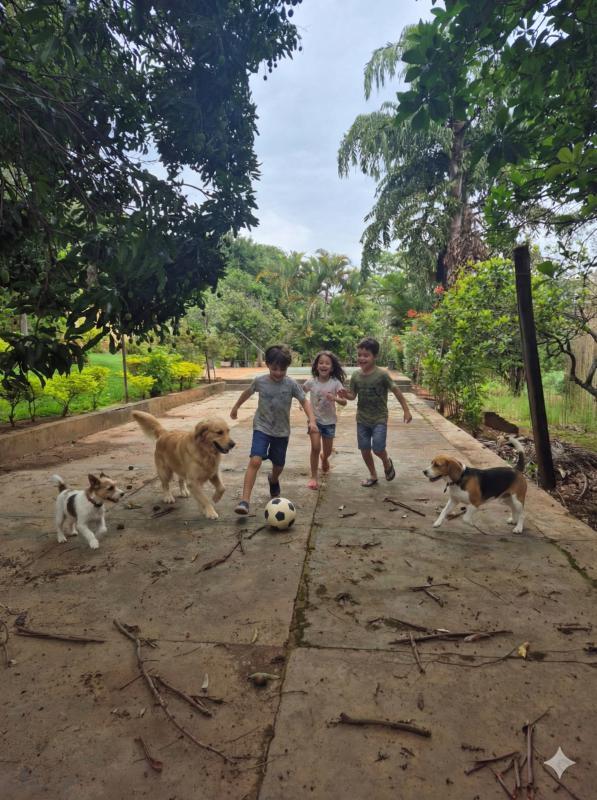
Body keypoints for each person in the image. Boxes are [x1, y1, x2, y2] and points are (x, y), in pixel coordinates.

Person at [230, 344, 317, 515]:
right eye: (274, 368)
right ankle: (245, 501)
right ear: (268, 365)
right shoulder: (260, 381)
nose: (278, 373)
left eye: (282, 369)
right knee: (255, 460)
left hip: (281, 431)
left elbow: (304, 401)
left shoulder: (291, 384)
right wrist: (235, 407)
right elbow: (247, 393)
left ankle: (273, 479)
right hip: (261, 427)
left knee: (278, 465)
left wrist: (311, 420)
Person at [338, 337, 412, 487]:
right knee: (364, 449)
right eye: (359, 355)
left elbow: (396, 390)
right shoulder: (356, 376)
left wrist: (406, 410)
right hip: (362, 419)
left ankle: (386, 462)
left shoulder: (382, 375)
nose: (361, 358)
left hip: (379, 418)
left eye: (366, 355)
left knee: (378, 448)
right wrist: (345, 394)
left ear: (375, 356)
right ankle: (373, 475)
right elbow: (353, 396)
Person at [303, 350, 347, 489]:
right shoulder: (311, 382)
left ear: (332, 367)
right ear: (316, 366)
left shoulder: (335, 383)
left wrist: (334, 398)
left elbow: (344, 402)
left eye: (327, 363)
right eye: (321, 363)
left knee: (326, 451)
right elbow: (300, 393)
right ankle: (314, 477)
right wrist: (303, 405)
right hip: (314, 421)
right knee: (315, 447)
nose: (323, 365)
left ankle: (325, 458)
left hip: (329, 422)